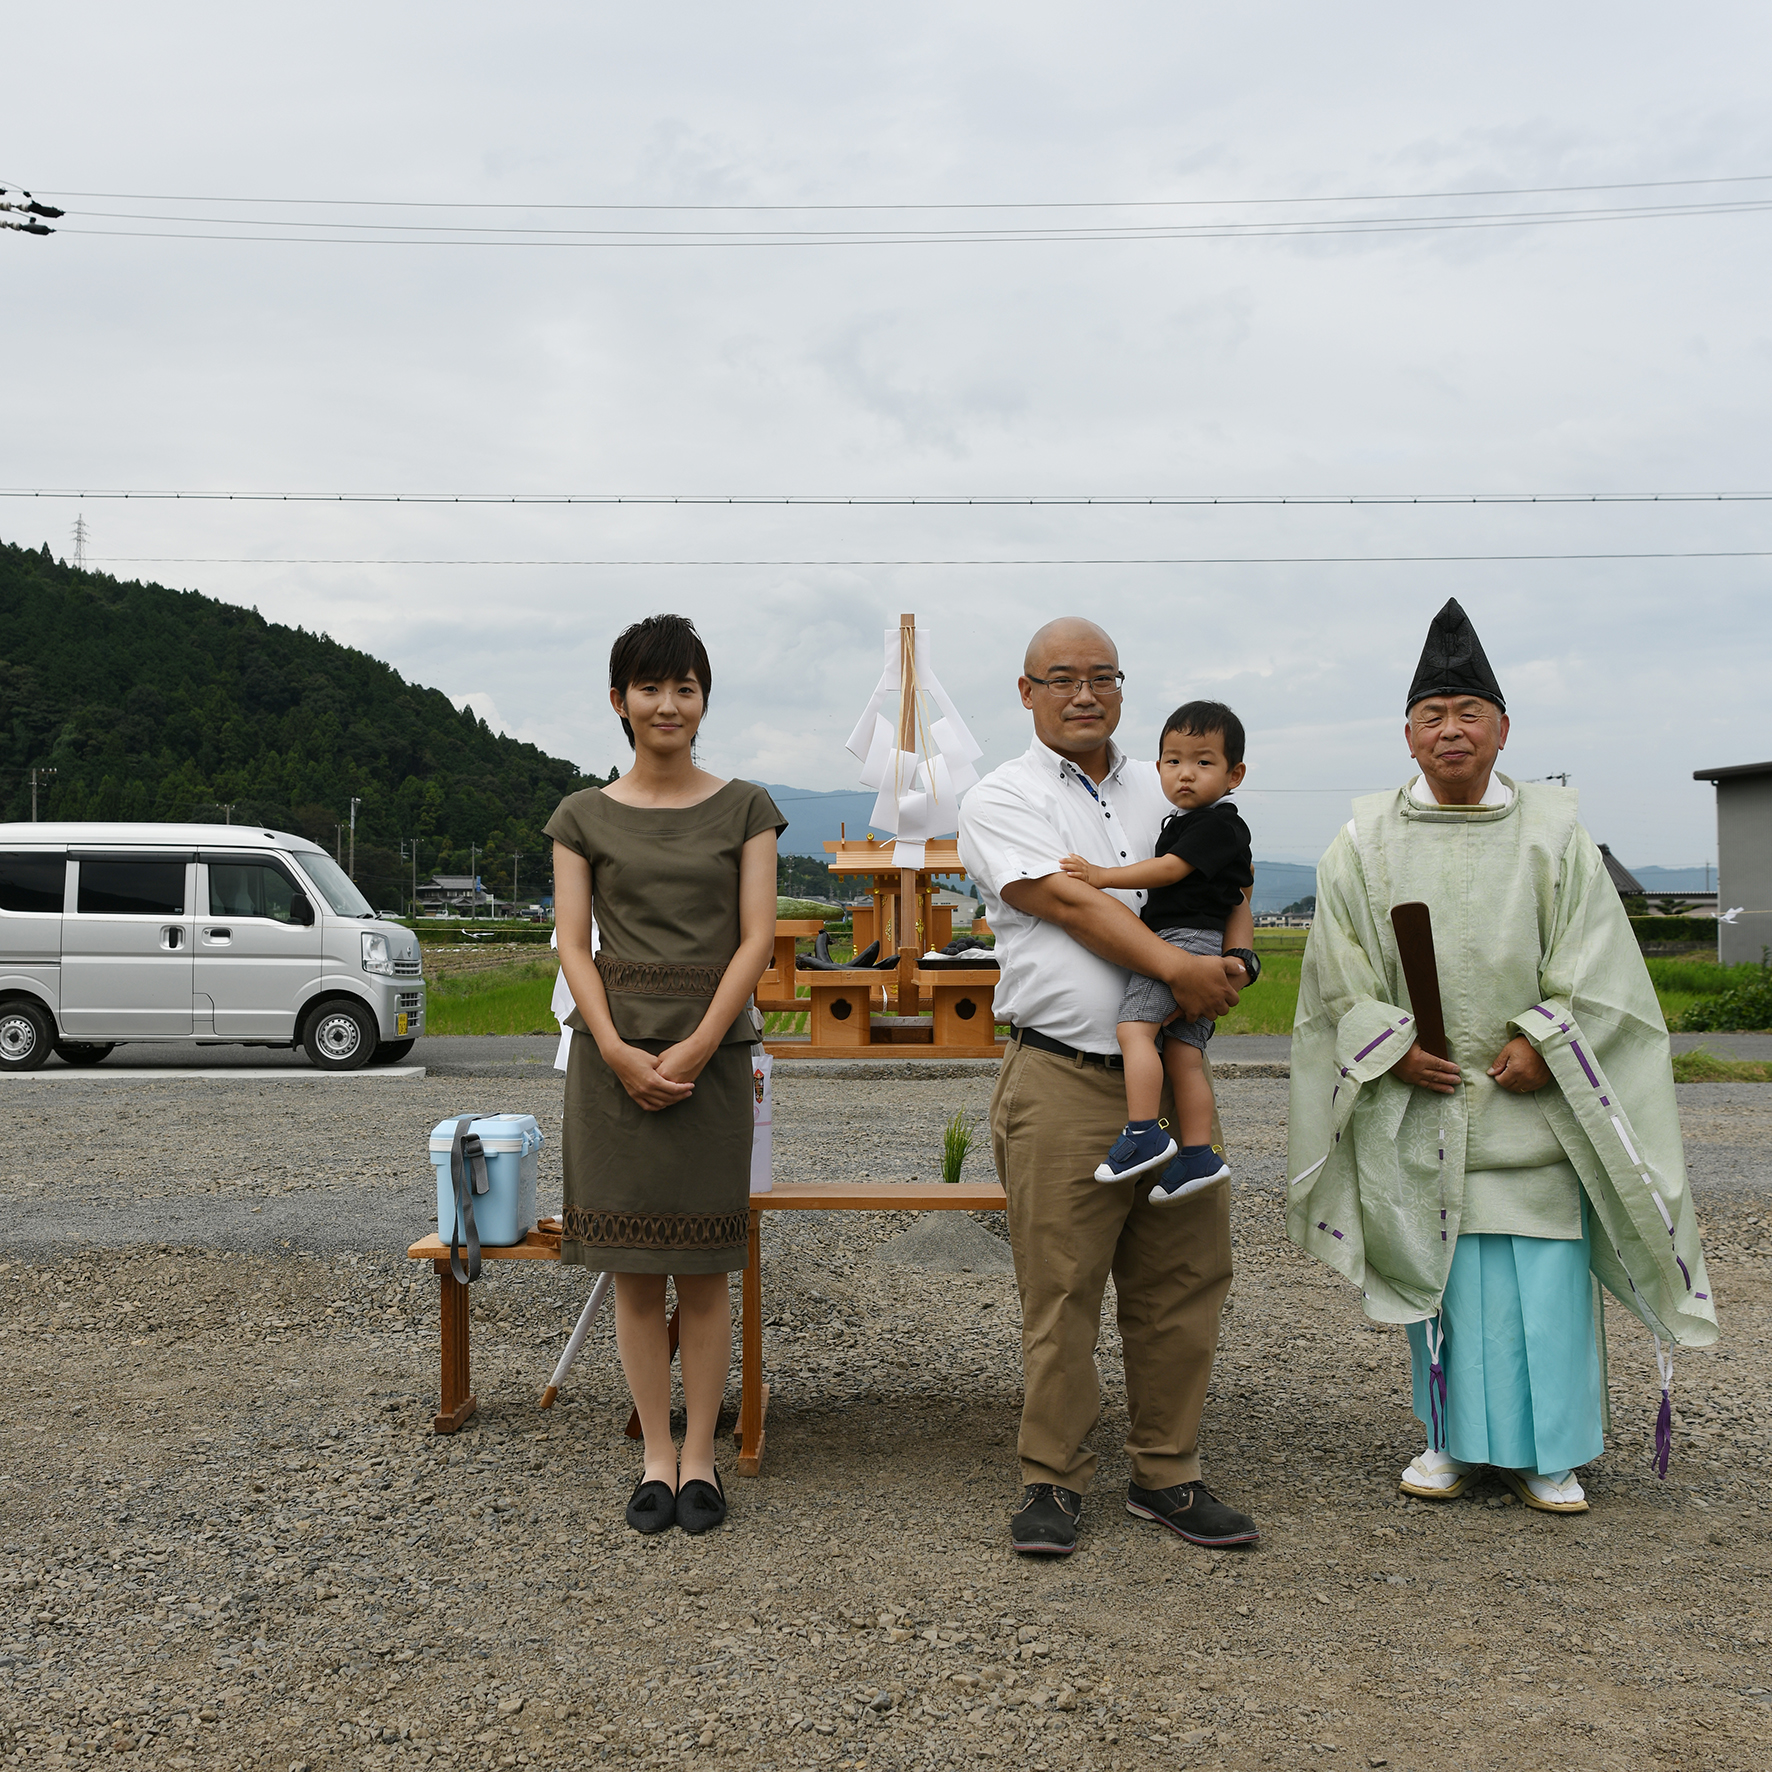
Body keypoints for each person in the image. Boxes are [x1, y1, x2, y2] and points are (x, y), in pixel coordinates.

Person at [1287, 598, 1716, 1513]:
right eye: (1433, 717)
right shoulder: (1363, 841)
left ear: (1503, 729)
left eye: (1469, 714)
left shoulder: (1555, 833)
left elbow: (1599, 966)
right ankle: (1449, 1443)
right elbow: (1338, 971)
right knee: (1446, 1280)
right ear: (1407, 736)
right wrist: (1392, 1049)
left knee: (1546, 1288)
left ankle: (1549, 1453)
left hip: (1535, 1109)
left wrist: (1544, 1040)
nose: (1452, 732)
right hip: (1425, 1101)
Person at [958, 618, 1263, 1556]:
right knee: (1061, 1286)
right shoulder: (999, 796)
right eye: (1061, 678)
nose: (1083, 693)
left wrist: (1238, 962)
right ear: (1026, 691)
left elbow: (1229, 874)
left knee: (1182, 1280)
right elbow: (1069, 901)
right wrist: (1183, 970)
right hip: (1060, 1074)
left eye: (1101, 677)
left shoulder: (1170, 780)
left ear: (1122, 689)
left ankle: (1168, 1472)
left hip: (1172, 1074)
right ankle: (1052, 1478)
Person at [548, 614, 785, 1537]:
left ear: (703, 701)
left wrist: (698, 1045)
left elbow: (756, 938)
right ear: (620, 701)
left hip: (711, 1062)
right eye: (651, 687)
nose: (668, 704)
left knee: (704, 1268)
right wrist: (610, 1046)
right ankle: (655, 1451)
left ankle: (701, 1460)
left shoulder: (748, 807)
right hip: (612, 1062)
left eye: (685, 687)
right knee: (635, 1271)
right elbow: (573, 943)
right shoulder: (581, 816)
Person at [1060, 699, 1254, 1203]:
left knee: (1134, 1030)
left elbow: (1169, 870)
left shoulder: (1215, 825)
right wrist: (1240, 958)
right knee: (1186, 1054)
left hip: (1182, 942)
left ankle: (1144, 1132)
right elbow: (1239, 896)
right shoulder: (1195, 822)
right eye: (1173, 760)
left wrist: (1101, 876)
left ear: (1235, 774)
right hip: (1205, 944)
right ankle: (1196, 1155)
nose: (1185, 774)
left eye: (1203, 762)